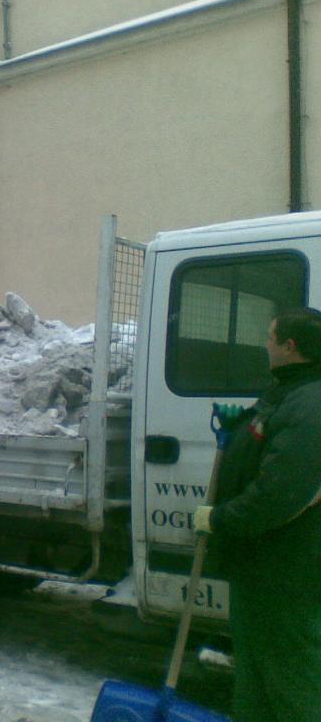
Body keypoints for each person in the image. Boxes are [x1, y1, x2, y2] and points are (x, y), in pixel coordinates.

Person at [193, 307, 321, 722]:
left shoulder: (312, 403)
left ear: (290, 346)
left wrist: (220, 518)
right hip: (264, 566)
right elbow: (267, 443)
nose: (264, 344)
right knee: (256, 673)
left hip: (287, 569)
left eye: (270, 337)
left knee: (289, 680)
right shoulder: (290, 392)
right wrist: (243, 428)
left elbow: (279, 494)